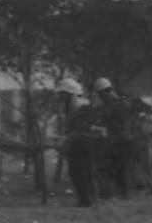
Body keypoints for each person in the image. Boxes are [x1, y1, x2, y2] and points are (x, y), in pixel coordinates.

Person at [56, 77, 105, 207]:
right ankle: (89, 199)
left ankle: (87, 200)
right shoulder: (76, 104)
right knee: (82, 172)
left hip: (82, 142)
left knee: (80, 172)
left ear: (69, 94)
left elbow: (81, 127)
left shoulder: (77, 105)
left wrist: (67, 138)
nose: (60, 96)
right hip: (80, 141)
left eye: (62, 93)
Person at [93, 77, 135, 199]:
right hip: (118, 140)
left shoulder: (115, 103)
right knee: (115, 167)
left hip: (121, 141)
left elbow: (114, 121)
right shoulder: (115, 102)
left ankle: (121, 193)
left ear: (102, 92)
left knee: (118, 168)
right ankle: (116, 192)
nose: (99, 97)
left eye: (100, 94)